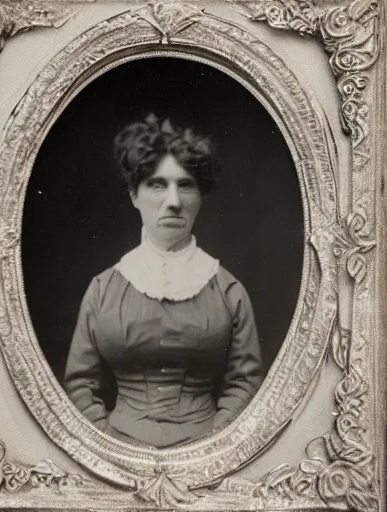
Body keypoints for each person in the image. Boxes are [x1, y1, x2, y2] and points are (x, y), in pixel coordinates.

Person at [63, 113, 263, 448]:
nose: (173, 202)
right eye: (157, 184)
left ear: (201, 196)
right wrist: (111, 446)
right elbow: (79, 384)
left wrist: (212, 444)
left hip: (208, 454)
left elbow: (245, 381)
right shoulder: (103, 289)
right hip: (115, 453)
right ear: (133, 194)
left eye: (185, 185)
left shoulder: (228, 291)